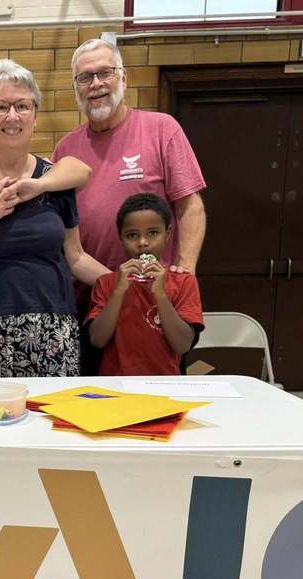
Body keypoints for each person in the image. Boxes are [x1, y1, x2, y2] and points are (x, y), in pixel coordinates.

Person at [0, 59, 104, 378]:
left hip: (54, 329)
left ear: (35, 116)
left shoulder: (55, 181)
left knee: (49, 426)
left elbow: (76, 257)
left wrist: (125, 284)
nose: (12, 116)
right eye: (0, 107)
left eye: (22, 106)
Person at [53, 37, 207, 373]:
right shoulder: (65, 149)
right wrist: (111, 285)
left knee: (159, 400)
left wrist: (185, 270)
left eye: (105, 73)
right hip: (93, 301)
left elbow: (190, 207)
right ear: (75, 88)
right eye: (85, 77)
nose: (96, 84)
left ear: (124, 78)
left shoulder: (162, 129)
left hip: (155, 302)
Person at [85, 193, 204, 376]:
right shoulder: (107, 283)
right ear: (121, 237)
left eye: (153, 233)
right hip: (114, 385)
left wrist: (161, 295)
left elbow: (182, 344)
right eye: (132, 235)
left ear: (168, 234)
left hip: (166, 385)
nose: (142, 243)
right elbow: (97, 340)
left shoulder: (184, 282)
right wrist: (118, 291)